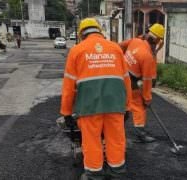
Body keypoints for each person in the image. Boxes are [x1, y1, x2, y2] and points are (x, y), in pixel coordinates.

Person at [60, 18, 132, 180]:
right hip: (115, 105)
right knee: (116, 140)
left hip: (88, 106)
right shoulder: (115, 49)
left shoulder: (77, 51)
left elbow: (68, 86)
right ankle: (117, 172)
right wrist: (127, 106)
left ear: (81, 34)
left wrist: (66, 112)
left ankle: (94, 175)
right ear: (99, 31)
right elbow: (125, 80)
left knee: (92, 141)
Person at [119, 23, 165, 143]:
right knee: (139, 106)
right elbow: (147, 81)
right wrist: (147, 98)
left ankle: (113, 128)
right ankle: (141, 134)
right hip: (131, 82)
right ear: (157, 41)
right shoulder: (147, 56)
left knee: (121, 105)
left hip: (119, 75)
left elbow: (119, 46)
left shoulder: (135, 41)